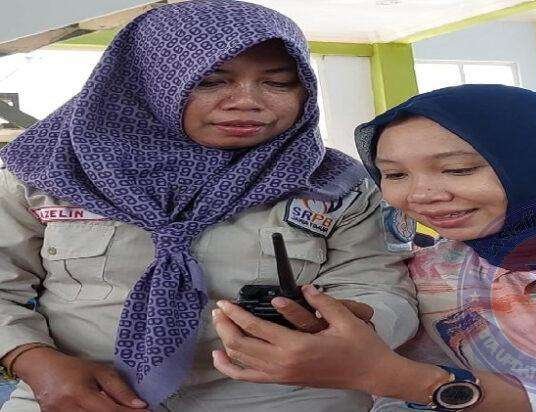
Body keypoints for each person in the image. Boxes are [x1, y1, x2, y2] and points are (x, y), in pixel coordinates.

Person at [0, 1, 419, 411]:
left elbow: (380, 286)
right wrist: (34, 361)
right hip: (77, 391)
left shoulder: (337, 185)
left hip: (286, 392)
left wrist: (350, 324)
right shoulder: (49, 173)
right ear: (147, 83)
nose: (247, 101)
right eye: (210, 81)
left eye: (278, 83)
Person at [212, 85, 536, 411]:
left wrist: (398, 378)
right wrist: (354, 330)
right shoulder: (441, 266)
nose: (420, 196)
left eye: (458, 169)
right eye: (394, 175)